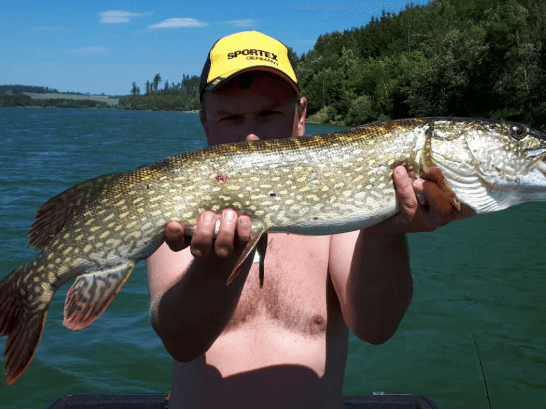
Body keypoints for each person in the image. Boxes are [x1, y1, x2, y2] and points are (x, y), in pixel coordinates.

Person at [146, 31, 474, 408]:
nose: (252, 135)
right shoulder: (178, 198)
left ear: (300, 116)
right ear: (206, 123)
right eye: (230, 117)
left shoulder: (341, 211)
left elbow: (375, 328)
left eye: (270, 114)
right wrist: (216, 264)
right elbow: (181, 342)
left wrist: (386, 234)